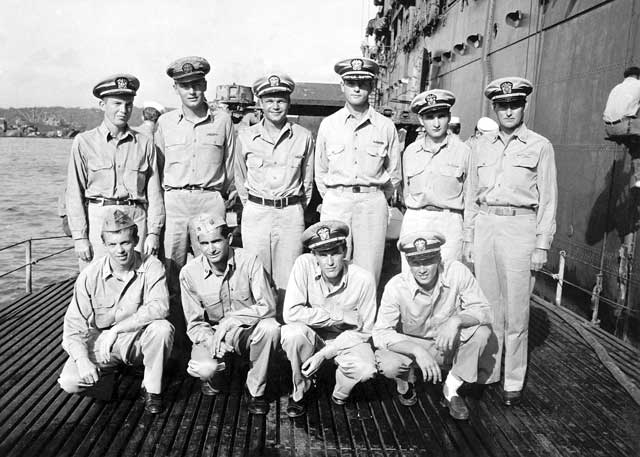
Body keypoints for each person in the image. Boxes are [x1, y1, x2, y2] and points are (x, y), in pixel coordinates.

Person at [463, 77, 557, 406]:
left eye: (514, 103)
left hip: (520, 227)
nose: (508, 110)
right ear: (494, 107)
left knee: (517, 312)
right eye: (502, 105)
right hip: (486, 224)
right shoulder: (479, 146)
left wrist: (542, 244)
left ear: (524, 106)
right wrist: (469, 237)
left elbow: (548, 200)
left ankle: (513, 379)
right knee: (488, 308)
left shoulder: (540, 146)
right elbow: (471, 197)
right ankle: (489, 372)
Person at [155, 56, 236, 355]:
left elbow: (232, 168)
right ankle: (175, 344)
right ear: (175, 88)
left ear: (205, 85)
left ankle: (217, 344)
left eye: (197, 85)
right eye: (184, 86)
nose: (192, 91)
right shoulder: (165, 123)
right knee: (171, 272)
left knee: (214, 269)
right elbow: (157, 167)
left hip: (209, 199)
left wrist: (226, 201)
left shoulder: (223, 121)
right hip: (175, 201)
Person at [58, 209, 174, 414]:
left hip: (135, 338)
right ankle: (106, 383)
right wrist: (83, 360)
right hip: (102, 343)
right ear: (104, 245)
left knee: (162, 328)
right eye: (112, 244)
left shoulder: (152, 266)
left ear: (136, 240)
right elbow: (73, 328)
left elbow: (160, 306)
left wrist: (117, 330)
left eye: (125, 243)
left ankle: (151, 388)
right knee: (69, 381)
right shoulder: (89, 275)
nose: (119, 250)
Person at [373, 231, 493, 420]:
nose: (422, 269)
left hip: (444, 344)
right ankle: (405, 383)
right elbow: (380, 333)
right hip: (411, 346)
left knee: (482, 333)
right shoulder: (395, 286)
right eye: (415, 262)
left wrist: (456, 320)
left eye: (428, 261)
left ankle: (451, 389)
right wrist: (416, 351)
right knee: (389, 364)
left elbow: (484, 311)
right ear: (408, 263)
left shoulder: (457, 272)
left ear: (439, 258)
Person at [179, 213, 280, 415]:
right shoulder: (189, 273)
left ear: (229, 239)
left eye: (217, 241)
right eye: (205, 243)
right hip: (214, 335)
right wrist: (212, 341)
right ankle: (216, 379)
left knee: (271, 327)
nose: (211, 249)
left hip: (245, 331)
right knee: (203, 367)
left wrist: (233, 320)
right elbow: (195, 323)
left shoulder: (250, 261)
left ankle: (255, 390)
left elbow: (268, 306)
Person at [315, 57, 401, 286]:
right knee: (332, 263)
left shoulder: (385, 126)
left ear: (371, 86)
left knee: (369, 270)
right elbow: (320, 171)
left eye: (362, 83)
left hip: (371, 203)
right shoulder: (329, 125)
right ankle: (333, 319)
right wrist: (336, 196)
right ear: (342, 86)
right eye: (350, 82)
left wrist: (376, 198)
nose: (356, 88)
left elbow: (394, 174)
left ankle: (367, 321)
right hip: (336, 201)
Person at [66, 74, 164, 269]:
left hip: (136, 219)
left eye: (128, 104)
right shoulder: (84, 142)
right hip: (98, 219)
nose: (123, 110)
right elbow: (73, 194)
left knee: (138, 280)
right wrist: (80, 237)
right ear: (102, 105)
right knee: (96, 280)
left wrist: (153, 233)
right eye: (117, 103)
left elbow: (155, 194)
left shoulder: (145, 143)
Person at [281, 221, 377, 417]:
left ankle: (340, 392)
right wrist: (338, 315)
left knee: (366, 369)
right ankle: (300, 388)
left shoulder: (364, 279)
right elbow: (290, 313)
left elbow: (364, 331)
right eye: (323, 255)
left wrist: (323, 355)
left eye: (335, 252)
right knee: (292, 333)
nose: (330, 261)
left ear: (345, 251)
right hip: (312, 336)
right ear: (314, 256)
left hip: (344, 341)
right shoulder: (303, 265)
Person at [234, 73, 314, 309]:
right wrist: (254, 204)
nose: (275, 106)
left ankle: (284, 332)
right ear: (260, 103)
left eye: (281, 100)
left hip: (290, 213)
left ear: (288, 103)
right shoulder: (246, 137)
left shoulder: (303, 136)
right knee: (255, 275)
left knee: (289, 279)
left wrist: (294, 208)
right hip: (257, 211)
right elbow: (240, 178)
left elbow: (307, 182)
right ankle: (260, 331)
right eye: (269, 100)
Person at [399, 89, 470, 265]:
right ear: (422, 120)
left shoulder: (463, 152)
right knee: (412, 276)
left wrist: (469, 236)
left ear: (449, 117)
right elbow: (406, 191)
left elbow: (470, 199)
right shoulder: (411, 152)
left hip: (449, 221)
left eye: (441, 116)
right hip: (416, 219)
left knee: (448, 278)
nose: (436, 123)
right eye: (430, 117)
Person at [603, 66, 640, 186]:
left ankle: (638, 181)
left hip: (609, 128)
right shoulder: (638, 84)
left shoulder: (616, 88)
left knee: (636, 149)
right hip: (624, 126)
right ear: (638, 76)